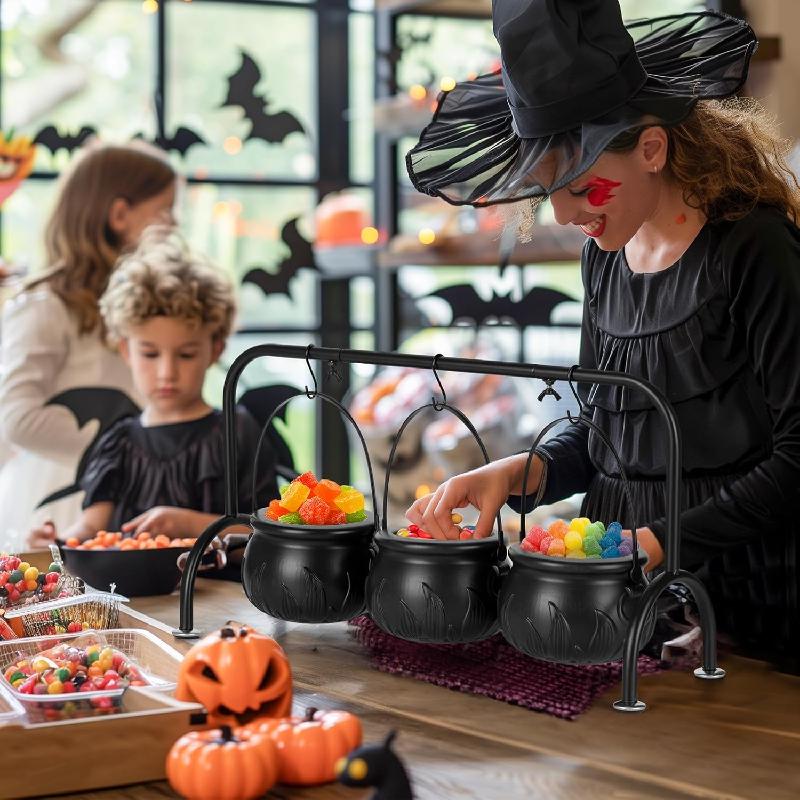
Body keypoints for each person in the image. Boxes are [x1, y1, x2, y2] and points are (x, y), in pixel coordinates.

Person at [405, 2, 800, 667]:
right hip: (634, 612)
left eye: (583, 187)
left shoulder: (755, 250)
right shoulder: (605, 258)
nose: (562, 214)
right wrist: (520, 470)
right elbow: (606, 431)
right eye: (547, 190)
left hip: (758, 620)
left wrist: (660, 542)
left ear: (651, 148)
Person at [28, 227, 277, 555]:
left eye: (186, 354)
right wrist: (56, 542)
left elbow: (267, 533)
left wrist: (188, 523)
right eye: (150, 354)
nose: (167, 373)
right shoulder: (118, 444)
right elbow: (90, 529)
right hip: (136, 603)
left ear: (215, 349)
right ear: (126, 350)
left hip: (223, 601)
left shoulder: (238, 433)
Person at [0, 141, 177, 550]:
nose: (174, 225)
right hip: (64, 501)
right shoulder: (46, 307)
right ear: (119, 215)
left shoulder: (141, 303)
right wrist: (128, 451)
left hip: (133, 493)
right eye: (165, 211)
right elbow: (17, 420)